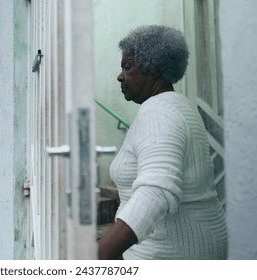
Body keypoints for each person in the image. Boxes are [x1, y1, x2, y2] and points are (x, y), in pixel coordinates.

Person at [98, 25, 228, 260]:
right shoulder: (178, 105)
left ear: (155, 69)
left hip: (171, 254)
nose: (120, 76)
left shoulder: (159, 112)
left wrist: (94, 257)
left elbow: (155, 191)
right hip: (195, 245)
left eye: (127, 67)